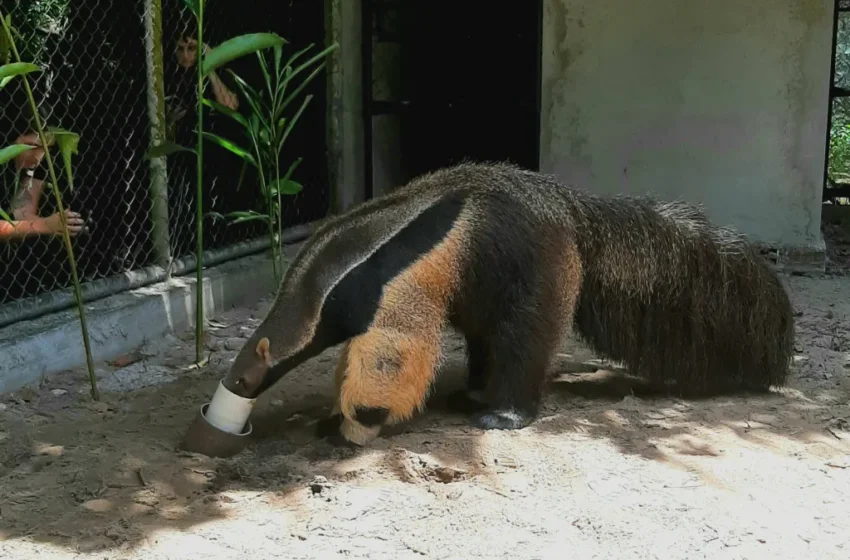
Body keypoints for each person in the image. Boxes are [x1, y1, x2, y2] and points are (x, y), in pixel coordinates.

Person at [1, 130, 86, 241]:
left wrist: (61, 223)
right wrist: (44, 225)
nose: (38, 157)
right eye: (31, 146)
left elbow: (20, 214)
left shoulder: (33, 169)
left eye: (47, 148)